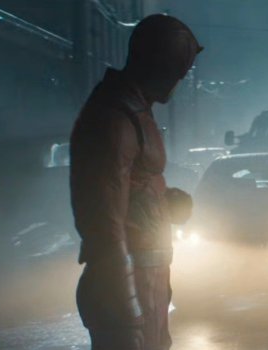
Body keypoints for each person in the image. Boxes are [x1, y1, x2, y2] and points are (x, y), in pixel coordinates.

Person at [69, 14, 201, 350]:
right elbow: (104, 219)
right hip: (131, 283)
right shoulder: (115, 116)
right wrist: (126, 307)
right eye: (178, 71)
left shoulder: (131, 110)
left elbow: (129, 190)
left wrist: (164, 201)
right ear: (161, 66)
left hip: (147, 279)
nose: (179, 80)